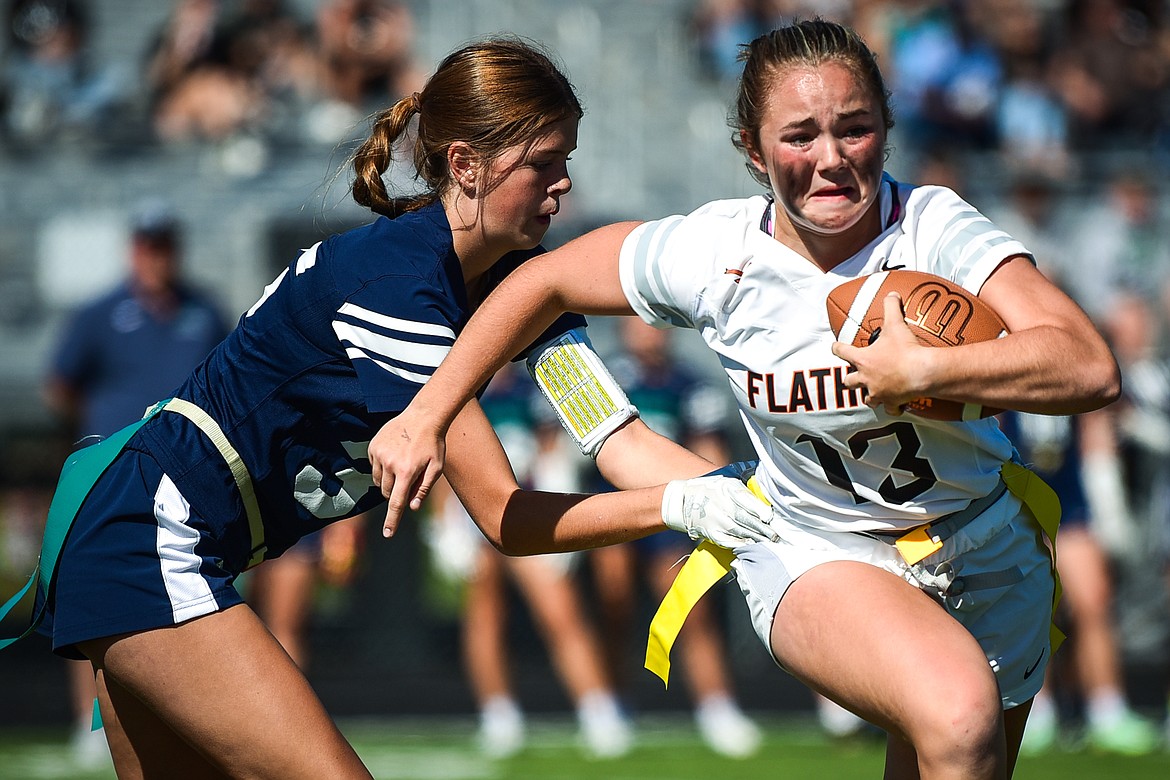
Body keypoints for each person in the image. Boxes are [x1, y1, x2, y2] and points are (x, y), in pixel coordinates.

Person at [372, 20, 1121, 780]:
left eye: (855, 129)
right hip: (813, 548)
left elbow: (1088, 367)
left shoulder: (932, 226)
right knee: (959, 716)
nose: (830, 158)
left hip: (986, 546)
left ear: (887, 131)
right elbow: (540, 281)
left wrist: (924, 371)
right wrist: (427, 416)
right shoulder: (714, 253)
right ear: (752, 151)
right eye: (799, 136)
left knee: (958, 755)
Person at [7, 38, 773, 779]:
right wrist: (680, 504)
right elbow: (504, 516)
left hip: (163, 532)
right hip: (148, 531)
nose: (562, 183)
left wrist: (759, 497)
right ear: (465, 166)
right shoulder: (399, 289)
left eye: (565, 160)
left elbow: (616, 437)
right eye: (543, 162)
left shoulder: (521, 284)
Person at [43, 198, 229, 769]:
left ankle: (193, 713)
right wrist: (96, 437)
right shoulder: (100, 314)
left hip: (183, 475)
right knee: (94, 595)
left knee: (187, 594)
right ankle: (88, 720)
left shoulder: (203, 310)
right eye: (149, 246)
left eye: (165, 245)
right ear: (133, 250)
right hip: (111, 470)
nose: (157, 257)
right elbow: (60, 385)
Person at [585, 318, 762, 757]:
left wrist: (722, 505)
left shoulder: (689, 384)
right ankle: (609, 704)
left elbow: (710, 453)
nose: (648, 331)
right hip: (614, 509)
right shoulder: (607, 376)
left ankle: (715, 706)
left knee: (690, 610)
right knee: (615, 606)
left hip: (673, 512)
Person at [1002, 409, 1159, 756]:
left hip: (1069, 498)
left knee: (1094, 599)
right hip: (1015, 495)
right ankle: (1035, 712)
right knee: (1029, 603)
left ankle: (1107, 709)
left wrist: (1108, 499)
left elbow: (1093, 424)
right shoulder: (997, 354)